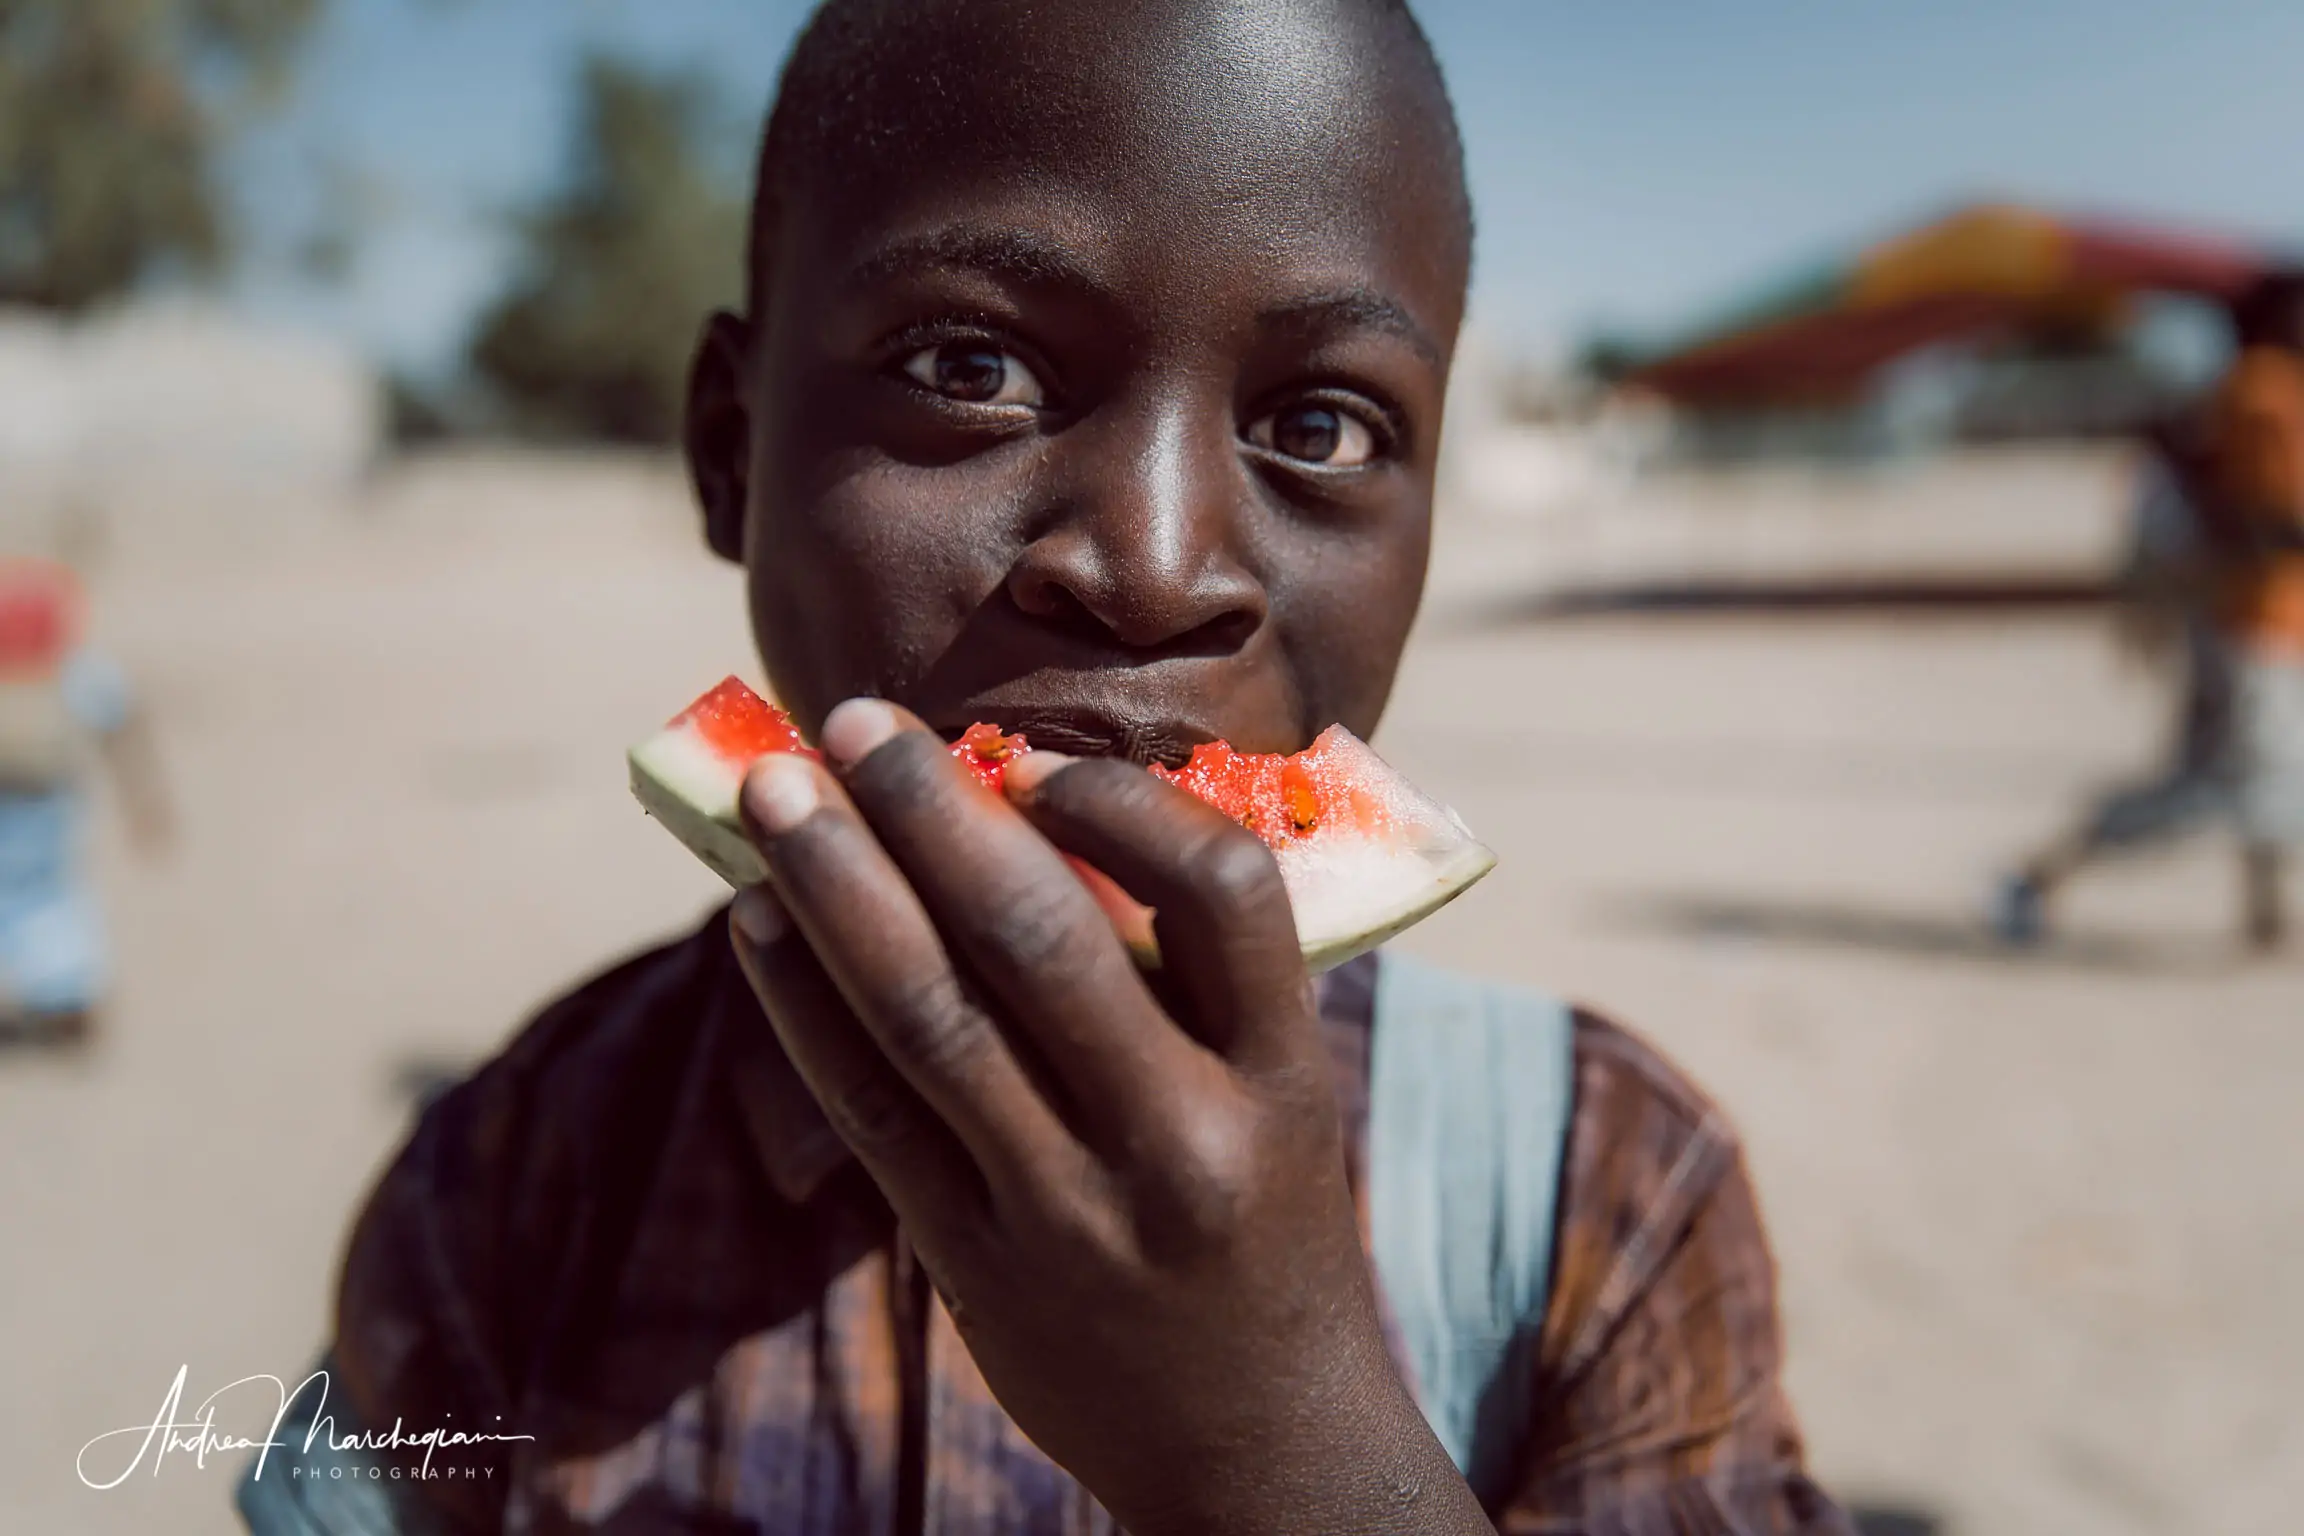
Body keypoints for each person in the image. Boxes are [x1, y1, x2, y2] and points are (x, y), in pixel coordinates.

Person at [257, 3, 1850, 1531]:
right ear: (730, 450)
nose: (1156, 566)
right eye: (969, 369)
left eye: (1321, 426)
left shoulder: (1606, 1199)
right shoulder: (511, 1190)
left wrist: (1285, 1457)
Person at [1995, 272, 2304, 950]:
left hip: (2267, 620)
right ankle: (2036, 876)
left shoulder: (2266, 390)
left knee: (2264, 775)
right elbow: (2263, 513)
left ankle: (2266, 922)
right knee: (2231, 783)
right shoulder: (2262, 392)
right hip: (2252, 621)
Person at [0, 556, 169, 1046]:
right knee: (51, 896)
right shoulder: (74, 671)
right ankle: (65, 993)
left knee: (23, 896)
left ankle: (58, 995)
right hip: (48, 804)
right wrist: (145, 801)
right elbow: (118, 719)